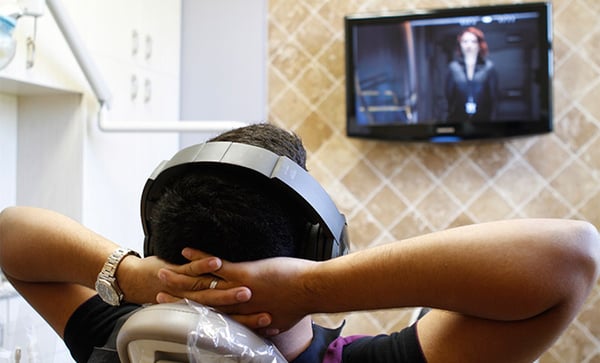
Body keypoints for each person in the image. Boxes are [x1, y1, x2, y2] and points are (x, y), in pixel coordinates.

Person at [0, 123, 599, 363]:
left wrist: (126, 275)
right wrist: (311, 288)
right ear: (321, 248)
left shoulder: (117, 341)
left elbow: (12, 233)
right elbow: (571, 256)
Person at [445, 26, 498, 122]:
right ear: (460, 44)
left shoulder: (489, 67)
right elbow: (448, 98)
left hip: (484, 121)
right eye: (465, 41)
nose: (469, 45)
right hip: (457, 120)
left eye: (473, 41)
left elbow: (494, 99)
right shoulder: (453, 68)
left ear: (479, 44)